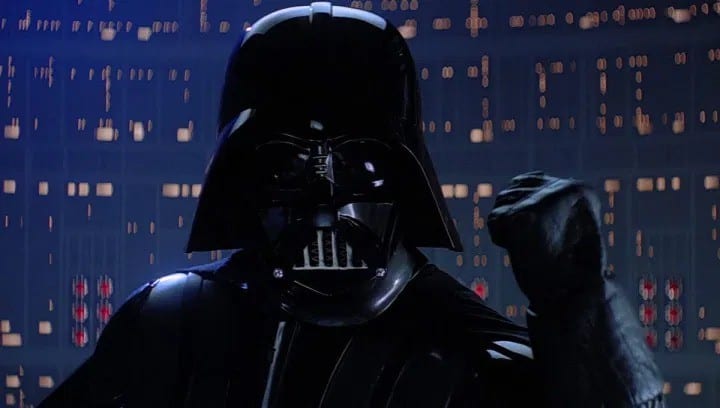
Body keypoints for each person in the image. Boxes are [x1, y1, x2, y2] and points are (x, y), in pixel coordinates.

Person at [40, 2, 664, 406]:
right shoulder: (169, 323)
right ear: (245, 177)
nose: (324, 200)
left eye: (357, 162)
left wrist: (584, 307)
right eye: (288, 164)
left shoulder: (474, 357)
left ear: (402, 174)